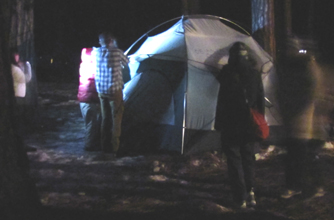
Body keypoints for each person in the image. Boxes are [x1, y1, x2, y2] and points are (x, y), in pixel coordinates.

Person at [215, 42, 265, 208]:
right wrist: (260, 121)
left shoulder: (226, 73)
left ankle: (240, 197)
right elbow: (260, 101)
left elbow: (221, 100)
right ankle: (251, 192)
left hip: (230, 123)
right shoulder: (255, 74)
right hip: (249, 124)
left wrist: (218, 123)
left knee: (234, 160)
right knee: (248, 158)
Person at [276, 36, 325, 199]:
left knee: (303, 156)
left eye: (291, 49)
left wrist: (297, 110)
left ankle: (308, 185)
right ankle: (301, 185)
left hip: (304, 121)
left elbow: (311, 93)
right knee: (296, 155)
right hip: (293, 120)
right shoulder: (289, 67)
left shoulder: (307, 66)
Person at [92, 32, 129, 156]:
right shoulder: (117, 52)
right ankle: (115, 147)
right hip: (114, 90)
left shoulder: (95, 53)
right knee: (116, 118)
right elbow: (126, 62)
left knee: (105, 118)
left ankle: (104, 145)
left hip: (101, 91)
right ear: (111, 41)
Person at [11, 48, 35, 152]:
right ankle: (19, 145)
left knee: (20, 121)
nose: (17, 57)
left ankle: (20, 144)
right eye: (15, 55)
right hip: (17, 98)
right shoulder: (13, 68)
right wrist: (27, 66)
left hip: (19, 97)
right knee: (19, 122)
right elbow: (26, 78)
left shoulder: (14, 67)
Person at [77, 48, 101, 151]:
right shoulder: (93, 67)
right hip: (89, 99)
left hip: (83, 98)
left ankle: (90, 143)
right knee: (91, 123)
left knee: (89, 122)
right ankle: (89, 146)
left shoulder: (83, 65)